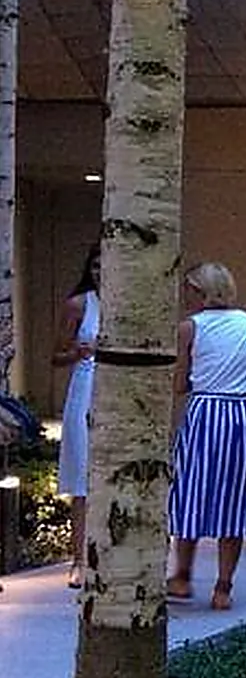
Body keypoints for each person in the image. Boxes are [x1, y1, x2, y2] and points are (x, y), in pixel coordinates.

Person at [167, 262, 246, 610]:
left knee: (191, 493)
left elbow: (179, 384)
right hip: (242, 414)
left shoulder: (190, 328)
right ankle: (223, 587)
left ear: (201, 291)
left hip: (205, 411)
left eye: (189, 289)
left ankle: (182, 575)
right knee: (234, 502)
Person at [52, 245, 99, 589]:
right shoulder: (79, 304)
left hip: (119, 392)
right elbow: (55, 355)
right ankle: (78, 559)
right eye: (95, 266)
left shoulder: (131, 301)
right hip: (85, 387)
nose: (100, 272)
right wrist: (76, 352)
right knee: (82, 478)